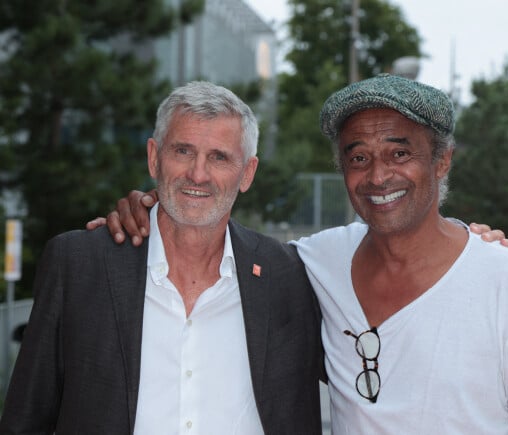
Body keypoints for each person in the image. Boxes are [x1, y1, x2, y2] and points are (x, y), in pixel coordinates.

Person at [100, 74, 508, 433]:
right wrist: (147, 210)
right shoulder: (312, 264)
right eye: (358, 157)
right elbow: (212, 245)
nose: (377, 176)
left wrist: (491, 255)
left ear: (442, 160)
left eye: (399, 153)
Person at [0, 82, 324, 434]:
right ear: (154, 157)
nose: (198, 174)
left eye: (219, 157)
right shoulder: (78, 265)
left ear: (247, 173)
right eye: (183, 151)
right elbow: (25, 419)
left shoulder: (289, 276)